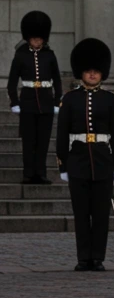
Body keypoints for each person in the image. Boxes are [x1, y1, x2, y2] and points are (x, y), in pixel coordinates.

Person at [56, 39, 114, 271]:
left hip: (103, 161)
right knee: (82, 214)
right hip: (78, 161)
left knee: (101, 215)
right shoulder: (70, 99)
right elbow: (62, 134)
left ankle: (98, 258)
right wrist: (63, 165)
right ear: (81, 73)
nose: (92, 75)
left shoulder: (110, 99)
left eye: (96, 71)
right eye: (88, 71)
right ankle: (83, 257)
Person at [7, 11, 62, 184]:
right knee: (29, 140)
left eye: (40, 39)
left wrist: (56, 101)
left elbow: (57, 80)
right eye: (34, 39)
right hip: (28, 102)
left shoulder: (49, 55)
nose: (37, 42)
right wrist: (15, 102)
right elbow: (12, 82)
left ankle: (41, 172)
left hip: (45, 102)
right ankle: (28, 172)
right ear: (28, 38)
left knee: (43, 141)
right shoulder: (21, 55)